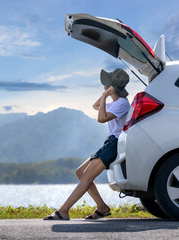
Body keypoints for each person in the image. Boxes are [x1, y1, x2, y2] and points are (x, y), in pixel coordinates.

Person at [43, 68, 131, 220]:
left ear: (112, 87)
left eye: (107, 84)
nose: (104, 87)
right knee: (80, 172)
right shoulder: (114, 103)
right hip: (109, 142)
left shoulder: (122, 103)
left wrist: (105, 95)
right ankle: (102, 207)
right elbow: (96, 107)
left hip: (115, 143)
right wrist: (105, 96)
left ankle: (63, 211)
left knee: (86, 177)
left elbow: (101, 118)